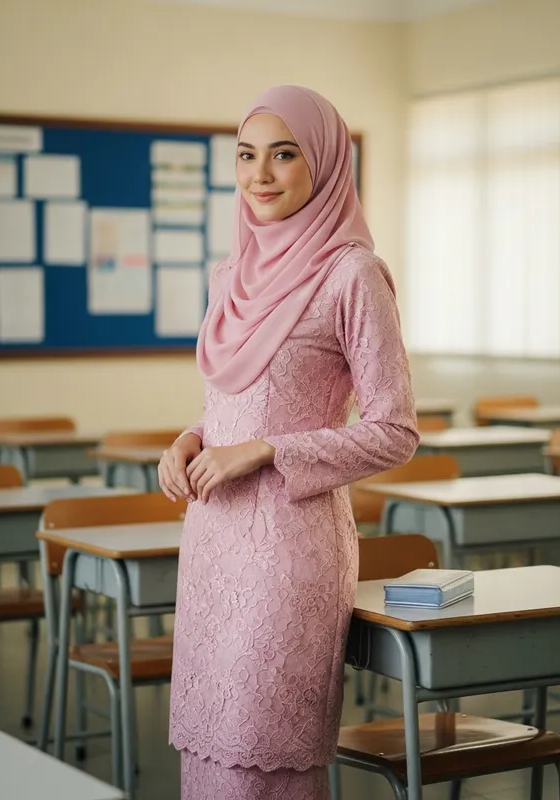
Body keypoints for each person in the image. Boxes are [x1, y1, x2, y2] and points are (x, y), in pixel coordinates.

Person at [159, 85, 419, 799]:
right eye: (246, 156)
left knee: (263, 758)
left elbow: (395, 430)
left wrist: (270, 452)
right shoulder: (228, 276)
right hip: (213, 543)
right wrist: (190, 439)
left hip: (288, 551)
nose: (260, 175)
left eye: (283, 154)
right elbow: (233, 409)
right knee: (210, 761)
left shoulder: (353, 274)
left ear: (326, 164)